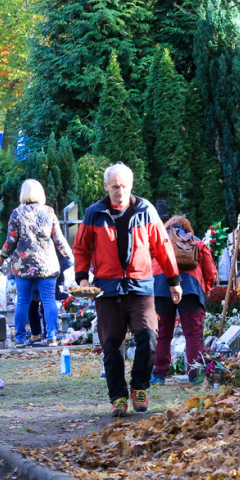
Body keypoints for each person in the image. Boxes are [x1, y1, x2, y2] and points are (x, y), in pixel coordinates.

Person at [73, 162, 182, 417]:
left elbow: (163, 246)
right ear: (105, 187)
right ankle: (118, 397)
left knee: (148, 337)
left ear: (130, 186)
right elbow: (81, 247)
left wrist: (173, 279)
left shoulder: (146, 210)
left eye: (123, 186)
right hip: (107, 290)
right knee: (111, 345)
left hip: (140, 286)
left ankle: (139, 387)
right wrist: (82, 278)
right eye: (114, 187)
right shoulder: (94, 213)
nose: (119, 191)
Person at [0, 179, 73, 347]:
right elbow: (59, 239)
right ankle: (52, 337)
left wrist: (1, 258)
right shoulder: (49, 212)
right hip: (47, 266)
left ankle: (20, 339)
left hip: (23, 266)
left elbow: (11, 240)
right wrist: (71, 258)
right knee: (49, 300)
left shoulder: (17, 213)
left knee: (22, 301)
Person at [150, 216, 216, 385]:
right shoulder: (197, 243)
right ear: (188, 229)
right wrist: (205, 290)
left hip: (161, 289)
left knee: (162, 334)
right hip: (190, 289)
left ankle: (159, 374)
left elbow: (146, 265)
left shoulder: (158, 242)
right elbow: (210, 271)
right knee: (193, 334)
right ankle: (195, 376)